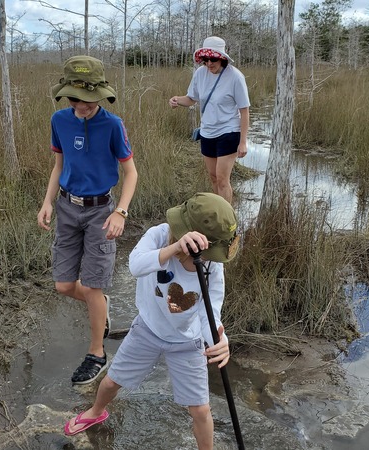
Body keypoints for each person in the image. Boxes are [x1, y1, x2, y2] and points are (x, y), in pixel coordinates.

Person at [63, 193, 240, 450]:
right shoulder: (159, 235)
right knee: (112, 381)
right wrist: (175, 248)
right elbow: (135, 266)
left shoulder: (212, 265)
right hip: (147, 329)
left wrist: (219, 340)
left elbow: (210, 312)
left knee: (201, 410)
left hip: (187, 342)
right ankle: (96, 411)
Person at [38, 55, 138, 385]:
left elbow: (131, 173)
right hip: (67, 208)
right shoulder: (59, 121)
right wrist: (48, 202)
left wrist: (119, 212)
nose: (81, 106)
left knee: (92, 286)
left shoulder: (112, 124)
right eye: (74, 99)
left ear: (99, 95)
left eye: (87, 99)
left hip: (100, 211)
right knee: (64, 285)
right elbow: (57, 166)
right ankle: (100, 306)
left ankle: (97, 352)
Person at [169, 36, 251, 204]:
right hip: (207, 132)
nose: (209, 63)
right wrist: (177, 100)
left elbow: (244, 111)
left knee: (222, 179)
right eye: (205, 59)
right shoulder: (200, 74)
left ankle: (228, 222)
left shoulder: (235, 77)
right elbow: (191, 99)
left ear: (222, 58)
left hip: (229, 131)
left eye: (213, 59)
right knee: (213, 178)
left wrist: (243, 142)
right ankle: (218, 215)